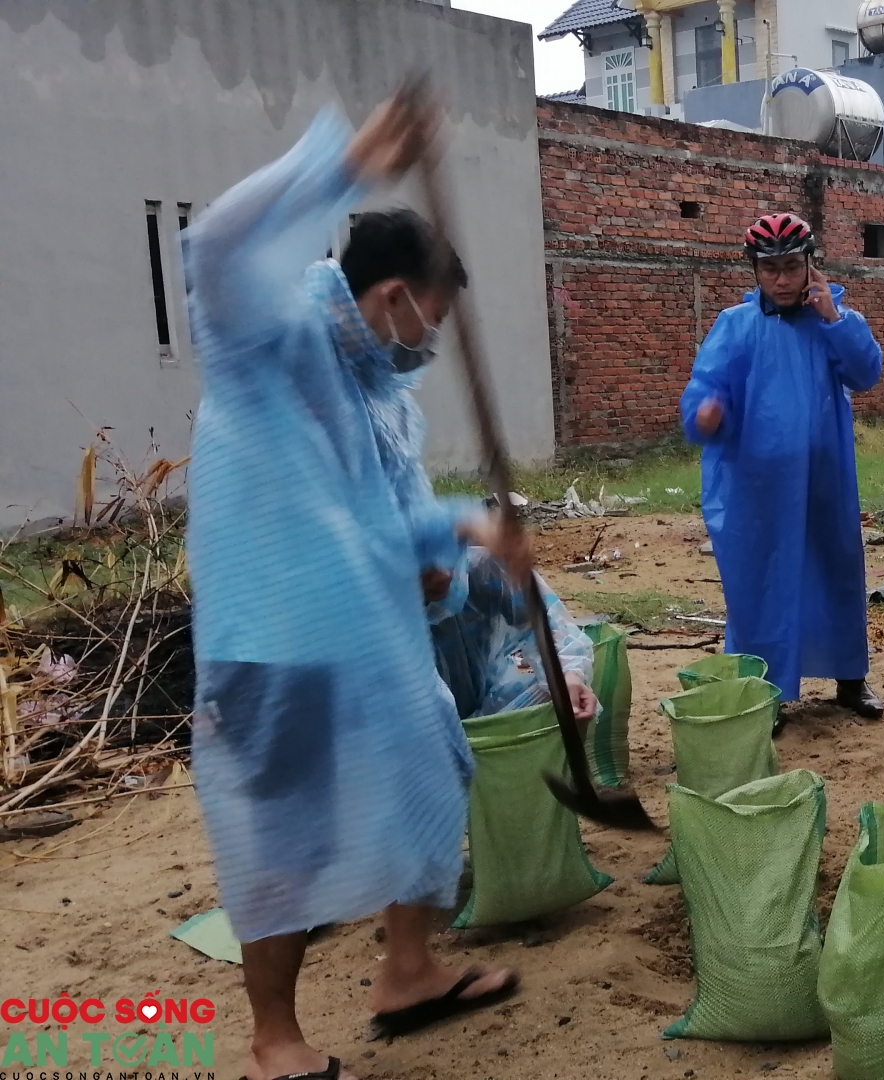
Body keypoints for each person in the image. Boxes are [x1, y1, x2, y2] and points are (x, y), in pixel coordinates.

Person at [185, 95, 522, 1080]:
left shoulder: (381, 394)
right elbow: (216, 245)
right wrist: (343, 164)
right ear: (394, 298)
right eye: (432, 321)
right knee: (284, 829)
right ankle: (274, 1042)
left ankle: (407, 972)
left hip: (361, 635)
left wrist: (463, 533)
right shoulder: (271, 334)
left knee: (432, 759)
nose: (429, 343)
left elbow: (387, 520)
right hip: (273, 635)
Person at [680, 213, 884, 729]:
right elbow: (705, 386)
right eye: (770, 269)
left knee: (836, 570)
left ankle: (850, 679)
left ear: (810, 264)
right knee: (759, 583)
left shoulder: (833, 319)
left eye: (792, 266)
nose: (782, 279)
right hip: (757, 487)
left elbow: (866, 373)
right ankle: (763, 690)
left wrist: (834, 318)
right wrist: (705, 412)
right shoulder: (735, 325)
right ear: (755, 270)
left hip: (824, 480)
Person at [427, 549, 599, 723]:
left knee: (568, 695)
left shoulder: (483, 569)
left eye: (444, 547)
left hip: (486, 703)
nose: (443, 574)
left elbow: (550, 627)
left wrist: (568, 677)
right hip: (421, 730)